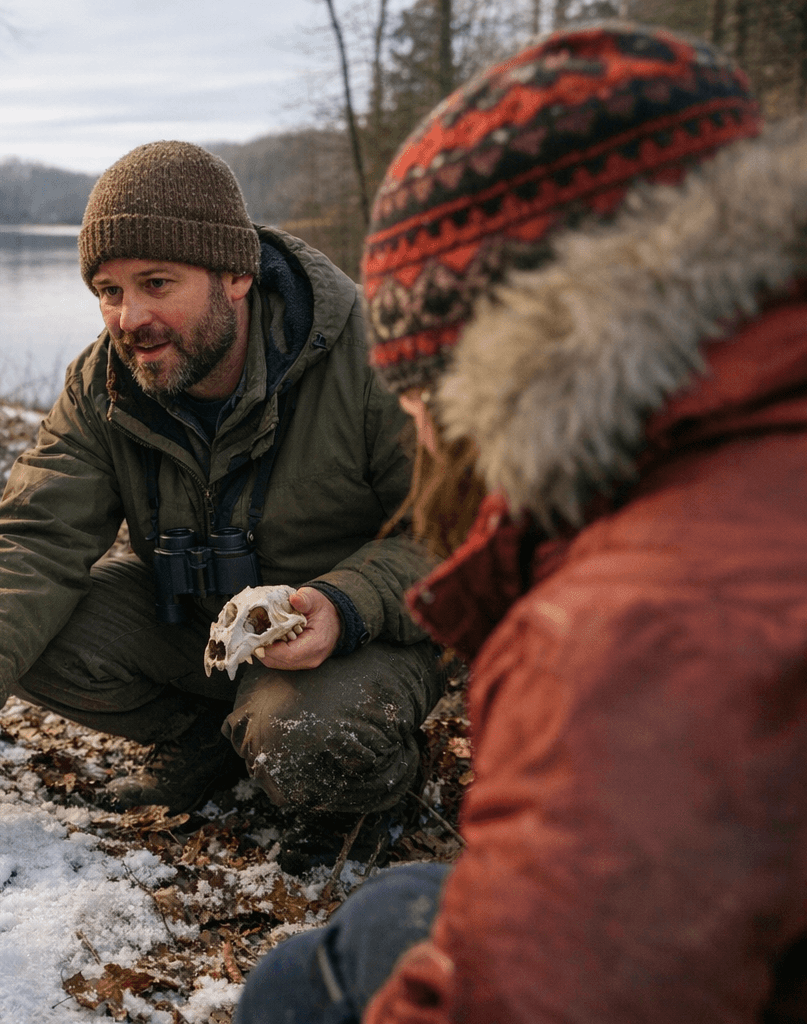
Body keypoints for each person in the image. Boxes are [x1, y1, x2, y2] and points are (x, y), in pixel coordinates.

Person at [235, 24, 805, 1024]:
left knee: (293, 987)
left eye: (414, 385)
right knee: (394, 912)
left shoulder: (633, 631)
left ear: (491, 368)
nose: (408, 416)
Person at [0, 141, 446, 867]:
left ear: (236, 274)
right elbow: (29, 534)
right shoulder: (105, 380)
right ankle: (212, 743)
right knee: (18, 637)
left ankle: (364, 784)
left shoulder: (373, 359)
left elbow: (459, 534)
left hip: (350, 638)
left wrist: (343, 605)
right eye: (110, 291)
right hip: (199, 629)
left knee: (310, 742)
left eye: (157, 283)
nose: (129, 319)